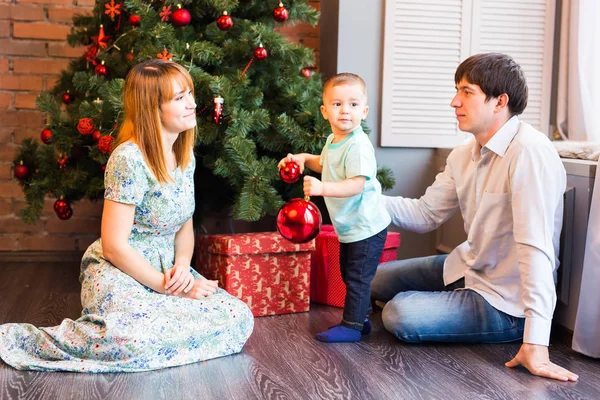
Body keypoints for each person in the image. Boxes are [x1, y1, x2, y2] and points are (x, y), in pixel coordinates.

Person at [0, 59, 254, 373]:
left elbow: (184, 227)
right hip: (121, 268)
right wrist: (165, 287)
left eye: (190, 94)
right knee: (132, 339)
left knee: (238, 317)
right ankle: (27, 340)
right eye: (179, 98)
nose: (192, 104)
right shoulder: (128, 158)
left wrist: (182, 269)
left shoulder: (184, 156)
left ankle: (164, 328)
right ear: (152, 108)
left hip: (168, 270)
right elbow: (114, 247)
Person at [370, 53, 578, 381]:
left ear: (499, 102)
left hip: (506, 302)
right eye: (457, 90)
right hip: (468, 267)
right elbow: (426, 214)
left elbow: (536, 250)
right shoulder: (463, 154)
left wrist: (536, 341)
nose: (454, 101)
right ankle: (449, 304)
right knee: (376, 278)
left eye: (467, 92)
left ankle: (465, 314)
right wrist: (364, 197)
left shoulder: (529, 153)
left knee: (399, 313)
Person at [280, 73, 391, 343]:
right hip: (350, 226)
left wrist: (322, 189)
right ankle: (361, 319)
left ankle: (352, 326)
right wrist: (306, 158)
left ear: (364, 112)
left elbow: (355, 184)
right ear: (325, 110)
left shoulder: (358, 145)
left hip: (367, 226)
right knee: (347, 273)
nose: (345, 111)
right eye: (337, 104)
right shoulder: (334, 140)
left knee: (356, 278)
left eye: (353, 105)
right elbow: (326, 163)